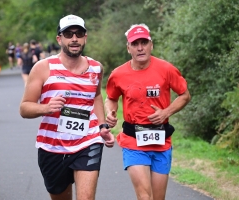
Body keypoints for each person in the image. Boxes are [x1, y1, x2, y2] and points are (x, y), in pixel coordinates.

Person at [20, 14, 114, 200]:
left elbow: (95, 96)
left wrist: (102, 126)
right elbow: (24, 108)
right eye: (68, 34)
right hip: (52, 146)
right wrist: (45, 108)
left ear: (85, 37)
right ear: (59, 38)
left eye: (79, 34)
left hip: (88, 140)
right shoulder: (43, 67)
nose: (74, 39)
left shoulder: (96, 68)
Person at [105, 24, 191, 200]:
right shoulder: (118, 74)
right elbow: (111, 98)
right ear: (128, 48)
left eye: (144, 42)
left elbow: (185, 95)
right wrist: (110, 112)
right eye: (135, 43)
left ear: (151, 45)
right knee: (145, 197)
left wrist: (166, 112)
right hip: (133, 140)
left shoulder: (166, 69)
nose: (140, 47)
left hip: (161, 139)